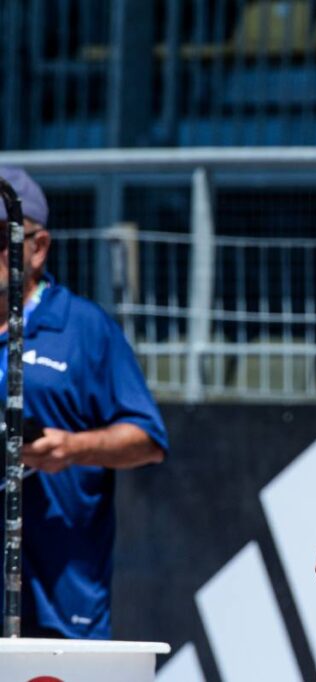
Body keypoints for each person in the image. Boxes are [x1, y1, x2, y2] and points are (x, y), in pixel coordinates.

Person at [0, 166, 168, 639]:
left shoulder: (83, 328)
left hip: (59, 601)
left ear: (38, 247)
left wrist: (71, 448)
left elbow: (148, 439)